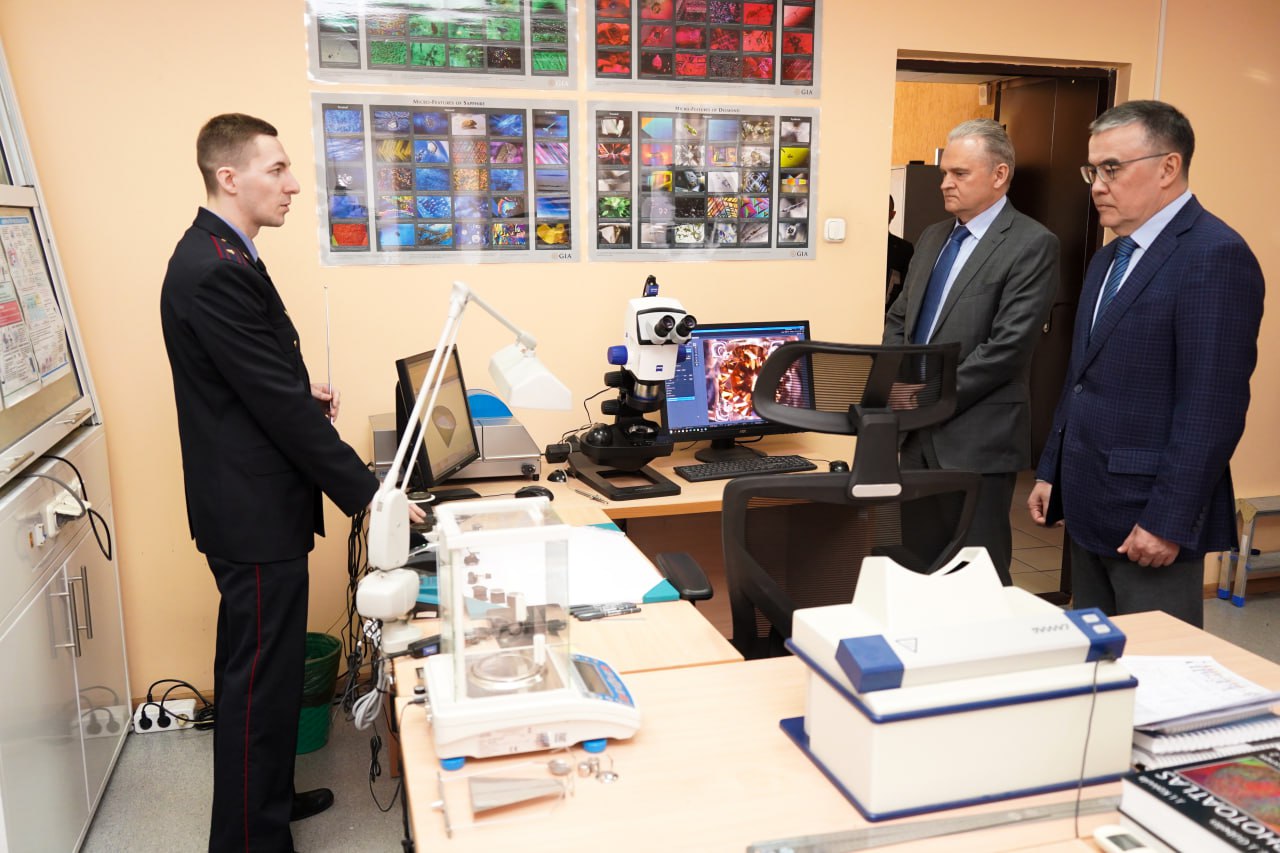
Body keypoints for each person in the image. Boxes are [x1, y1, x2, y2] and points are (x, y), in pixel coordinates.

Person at [160, 113, 422, 852]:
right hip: (250, 514)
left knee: (267, 678)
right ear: (229, 177)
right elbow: (273, 407)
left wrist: (296, 390)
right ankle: (249, 838)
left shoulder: (225, 252)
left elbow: (251, 379)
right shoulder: (213, 267)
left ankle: (266, 801)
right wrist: (372, 496)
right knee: (255, 684)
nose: (294, 184)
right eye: (276, 169)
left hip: (255, 502)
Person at [1028, 101, 1264, 628]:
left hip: (1150, 518)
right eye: (1093, 170)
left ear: (1168, 167)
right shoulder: (1109, 257)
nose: (1098, 186)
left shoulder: (1214, 255)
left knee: (1157, 666)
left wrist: (1167, 520)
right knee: (1095, 658)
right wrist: (1052, 470)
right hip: (1088, 501)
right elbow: (1081, 378)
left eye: (1112, 168)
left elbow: (1211, 408)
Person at [884, 119, 1060, 585]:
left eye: (959, 173)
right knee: (914, 567)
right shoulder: (932, 237)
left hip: (977, 437)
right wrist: (895, 381)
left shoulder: (1031, 244)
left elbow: (1007, 348)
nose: (945, 183)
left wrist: (927, 394)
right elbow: (900, 319)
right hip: (915, 435)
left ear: (999, 175)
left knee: (975, 574)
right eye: (945, 172)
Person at [885, 194, 915, 310]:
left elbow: (907, 290)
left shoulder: (904, 249)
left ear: (892, 215)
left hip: (890, 315)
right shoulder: (857, 246)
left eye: (884, 210)